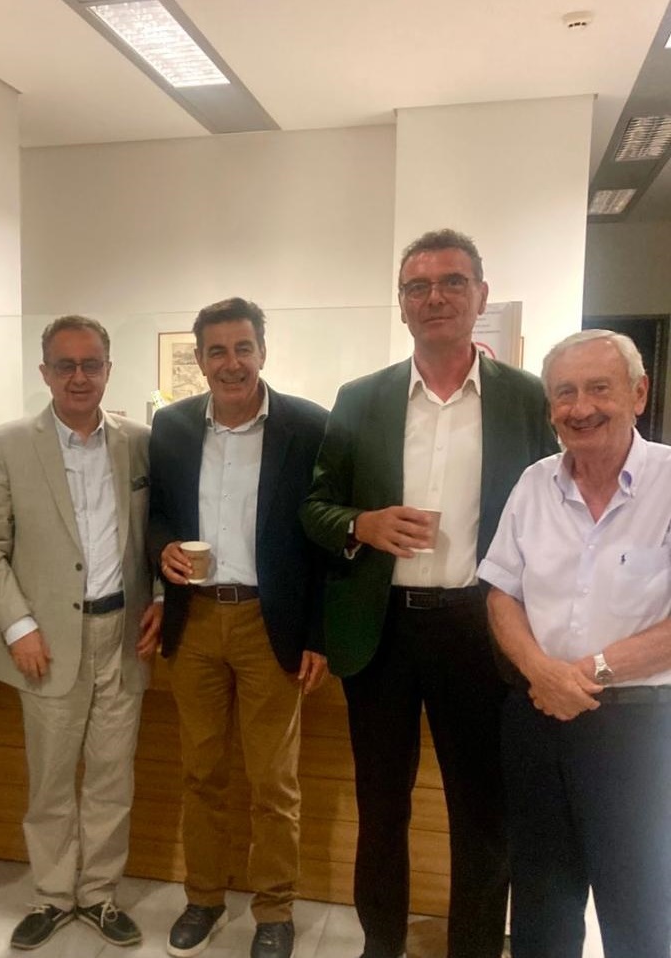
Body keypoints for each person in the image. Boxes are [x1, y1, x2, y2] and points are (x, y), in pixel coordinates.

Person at [300, 229, 559, 958]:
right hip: (381, 630)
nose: (435, 297)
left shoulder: (527, 399)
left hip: (482, 630)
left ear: (481, 295)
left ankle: (473, 948)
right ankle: (380, 945)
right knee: (381, 808)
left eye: (452, 282)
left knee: (482, 812)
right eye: (418, 286)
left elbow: (557, 510)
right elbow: (315, 506)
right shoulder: (361, 398)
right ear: (402, 304)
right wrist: (362, 524)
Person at [479, 330, 671, 958]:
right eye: (565, 393)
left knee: (638, 904)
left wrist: (585, 673)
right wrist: (541, 671)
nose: (580, 407)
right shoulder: (534, 484)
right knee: (540, 900)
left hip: (637, 731)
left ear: (638, 394)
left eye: (598, 389)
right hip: (536, 721)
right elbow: (501, 593)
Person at [0, 315, 161, 950]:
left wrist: (162, 598)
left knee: (112, 779)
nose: (79, 377)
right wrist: (18, 625)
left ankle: (100, 896)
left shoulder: (139, 442)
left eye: (91, 364)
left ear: (108, 369)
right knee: (51, 781)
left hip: (123, 635)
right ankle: (53, 896)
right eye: (65, 365)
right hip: (46, 644)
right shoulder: (7, 444)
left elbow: (157, 533)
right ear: (45, 372)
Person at [149, 297, 328, 958]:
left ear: (262, 352)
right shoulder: (171, 426)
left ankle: (274, 910)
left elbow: (323, 537)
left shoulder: (308, 426)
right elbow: (156, 514)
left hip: (268, 623)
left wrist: (318, 634)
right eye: (217, 351)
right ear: (199, 360)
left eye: (243, 348)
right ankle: (202, 897)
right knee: (201, 773)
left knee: (273, 782)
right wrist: (162, 550)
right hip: (194, 619)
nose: (232, 363)